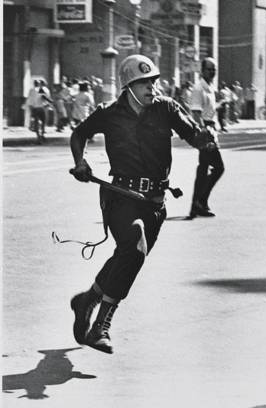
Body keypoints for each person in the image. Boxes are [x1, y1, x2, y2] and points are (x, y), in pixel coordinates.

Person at [68, 54, 217, 354]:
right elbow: (79, 134)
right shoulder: (109, 112)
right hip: (120, 196)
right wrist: (80, 162)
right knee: (135, 247)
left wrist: (204, 138)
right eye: (144, 83)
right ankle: (101, 326)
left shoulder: (165, 108)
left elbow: (191, 133)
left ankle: (87, 299)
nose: (152, 87)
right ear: (128, 86)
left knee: (127, 256)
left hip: (154, 203)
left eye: (153, 81)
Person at [188, 57, 226, 219]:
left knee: (203, 169)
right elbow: (196, 114)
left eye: (214, 69)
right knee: (218, 168)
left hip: (211, 130)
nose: (212, 72)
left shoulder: (210, 87)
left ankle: (197, 204)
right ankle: (199, 201)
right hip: (205, 132)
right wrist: (204, 134)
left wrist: (219, 105)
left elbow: (208, 110)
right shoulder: (198, 88)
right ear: (202, 71)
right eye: (209, 69)